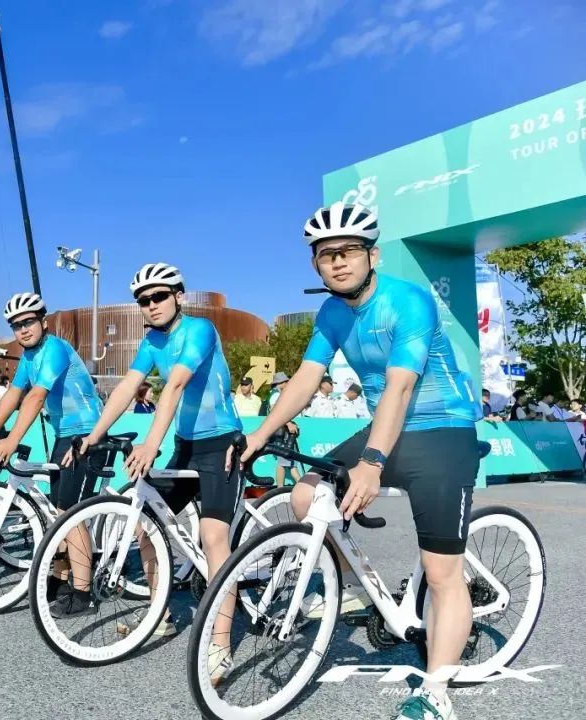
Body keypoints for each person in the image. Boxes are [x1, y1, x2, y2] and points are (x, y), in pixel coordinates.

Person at [239, 201, 481, 720]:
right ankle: (349, 587)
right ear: (316, 265)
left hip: (442, 426)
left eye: (348, 251)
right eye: (326, 255)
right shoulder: (331, 313)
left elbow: (400, 387)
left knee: (442, 572)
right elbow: (307, 378)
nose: (337, 262)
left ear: (373, 255)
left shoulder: (408, 301)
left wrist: (371, 462)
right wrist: (259, 433)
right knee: (305, 494)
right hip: (385, 428)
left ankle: (437, 692)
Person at [71, 262, 244, 631]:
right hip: (186, 446)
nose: (151, 304)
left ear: (178, 296)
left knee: (213, 538)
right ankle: (159, 616)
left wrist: (151, 444)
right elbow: (126, 387)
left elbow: (176, 384)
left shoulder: (200, 329)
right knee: (145, 526)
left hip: (221, 444)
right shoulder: (151, 342)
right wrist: (94, 435)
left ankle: (220, 642)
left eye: (159, 296)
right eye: (144, 300)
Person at [0, 292, 103, 609]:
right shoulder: (29, 358)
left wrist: (11, 440)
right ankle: (62, 577)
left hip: (87, 433)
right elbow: (13, 396)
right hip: (64, 436)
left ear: (43, 322)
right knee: (57, 511)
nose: (23, 329)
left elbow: (35, 397)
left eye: (28, 322)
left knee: (70, 513)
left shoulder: (55, 349)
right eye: (16, 325)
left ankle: (83, 592)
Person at [265, 372, 302, 487]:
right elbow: (275, 412)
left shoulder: (277, 394)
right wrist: (289, 423)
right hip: (281, 432)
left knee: (290, 461)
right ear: (281, 383)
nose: (288, 383)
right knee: (283, 461)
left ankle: (299, 484)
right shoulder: (276, 395)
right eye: (286, 381)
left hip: (282, 432)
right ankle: (280, 487)